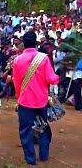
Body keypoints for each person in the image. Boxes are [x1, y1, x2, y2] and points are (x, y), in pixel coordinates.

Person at [13, 32, 59, 166]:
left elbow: (16, 82)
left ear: (23, 43)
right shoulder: (43, 58)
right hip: (41, 101)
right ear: (36, 42)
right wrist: (58, 77)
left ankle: (30, 160)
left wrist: (18, 97)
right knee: (43, 128)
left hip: (25, 102)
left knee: (25, 131)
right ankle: (44, 155)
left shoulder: (17, 60)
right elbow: (51, 79)